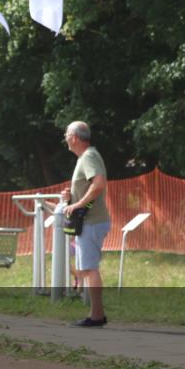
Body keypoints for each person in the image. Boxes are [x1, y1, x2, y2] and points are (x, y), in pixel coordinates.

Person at [61, 121, 110, 326]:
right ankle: (96, 314)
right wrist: (70, 196)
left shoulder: (88, 156)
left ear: (74, 137)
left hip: (91, 222)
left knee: (89, 270)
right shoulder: (86, 157)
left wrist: (78, 204)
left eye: (66, 134)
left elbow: (98, 183)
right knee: (87, 269)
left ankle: (97, 316)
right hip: (91, 221)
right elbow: (91, 185)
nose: (65, 138)